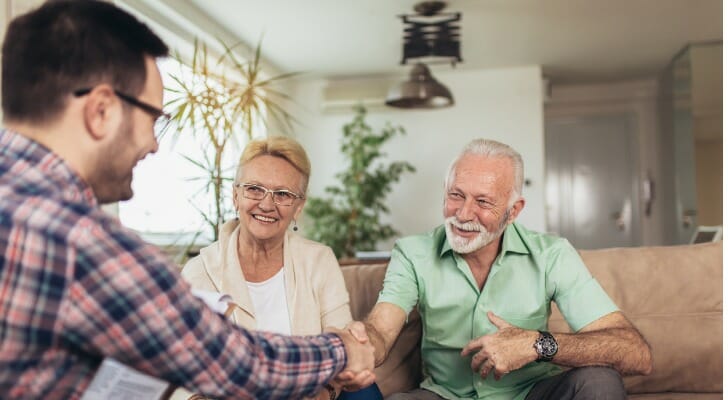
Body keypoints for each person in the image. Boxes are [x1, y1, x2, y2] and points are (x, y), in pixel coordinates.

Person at [0, 1, 375, 399]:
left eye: (283, 194)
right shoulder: (82, 241)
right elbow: (239, 365)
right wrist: (342, 349)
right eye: (152, 117)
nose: (153, 144)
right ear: (101, 111)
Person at [340, 139, 653, 400]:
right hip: (447, 395)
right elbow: (381, 329)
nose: (463, 214)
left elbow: (636, 352)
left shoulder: (552, 255)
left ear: (513, 210)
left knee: (599, 382)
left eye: (483, 202)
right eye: (456, 195)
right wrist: (360, 343)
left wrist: (537, 344)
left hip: (531, 392)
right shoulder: (413, 252)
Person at [175, 136, 382, 400]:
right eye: (254, 189)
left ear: (299, 207)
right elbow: (181, 370)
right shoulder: (199, 272)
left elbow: (343, 347)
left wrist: (326, 391)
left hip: (307, 396)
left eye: (282, 194)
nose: (266, 204)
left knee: (364, 392)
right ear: (235, 195)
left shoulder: (319, 260)